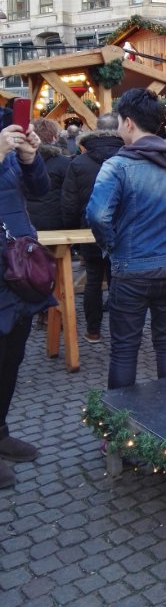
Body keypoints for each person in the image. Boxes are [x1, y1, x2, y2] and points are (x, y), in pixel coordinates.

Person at [86, 89, 166, 390]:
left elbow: (97, 216)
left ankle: (120, 431)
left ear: (128, 122)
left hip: (131, 269)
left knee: (124, 349)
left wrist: (111, 246)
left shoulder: (117, 166)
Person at [0, 118, 53, 489]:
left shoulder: (9, 153)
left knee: (11, 357)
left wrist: (31, 157)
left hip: (16, 271)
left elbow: (40, 191)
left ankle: (0, 431)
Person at [61, 112, 124, 343]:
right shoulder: (127, 159)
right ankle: (120, 333)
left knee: (93, 281)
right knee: (118, 281)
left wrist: (74, 236)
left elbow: (69, 204)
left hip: (88, 231)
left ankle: (93, 330)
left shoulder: (78, 163)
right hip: (120, 232)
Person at [25, 119, 72, 232]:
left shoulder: (19, 160)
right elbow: (69, 196)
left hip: (26, 221)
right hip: (55, 222)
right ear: (54, 137)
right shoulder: (64, 163)